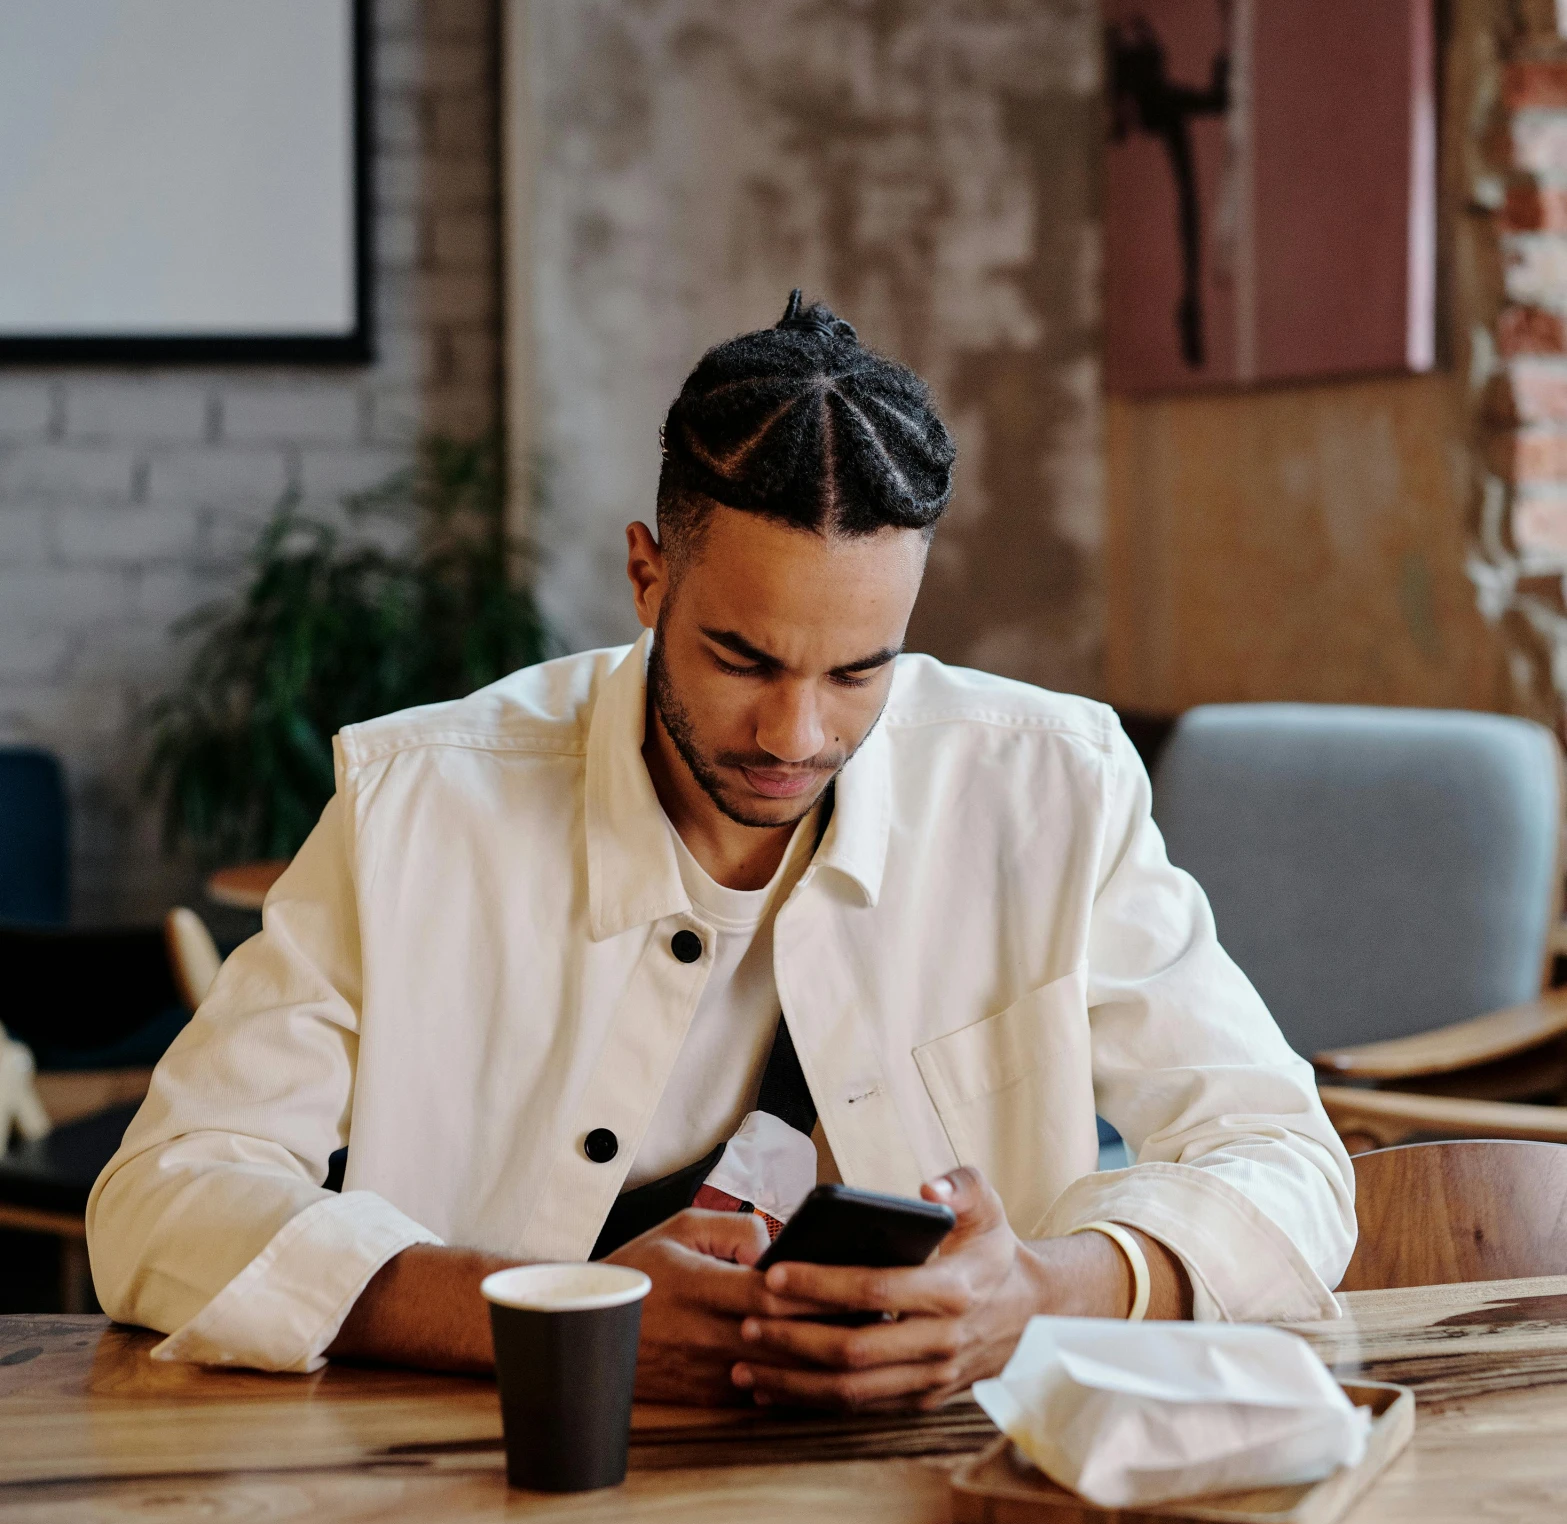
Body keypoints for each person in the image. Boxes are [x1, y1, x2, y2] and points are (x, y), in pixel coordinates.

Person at [88, 296, 1354, 1405]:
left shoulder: (1046, 786)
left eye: (859, 669)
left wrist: (1045, 1286)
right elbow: (165, 1195)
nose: (796, 734)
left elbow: (1288, 1159)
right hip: (497, 1495)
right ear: (647, 578)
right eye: (743, 658)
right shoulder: (417, 805)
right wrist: (542, 1309)